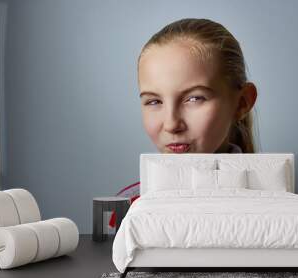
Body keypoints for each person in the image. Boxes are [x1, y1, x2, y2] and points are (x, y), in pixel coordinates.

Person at [111, 18, 259, 226]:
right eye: (154, 101)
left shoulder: (275, 206)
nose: (171, 124)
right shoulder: (127, 207)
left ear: (242, 103)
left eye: (194, 98)